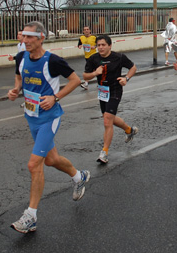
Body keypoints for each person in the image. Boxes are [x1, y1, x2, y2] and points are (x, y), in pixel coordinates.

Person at [7, 21, 90, 233]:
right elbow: (19, 75)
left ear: (41, 37)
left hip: (49, 118)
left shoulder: (52, 61)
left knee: (34, 164)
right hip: (31, 116)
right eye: (23, 37)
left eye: (29, 37)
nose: (25, 41)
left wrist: (55, 97)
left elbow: (74, 80)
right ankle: (79, 177)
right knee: (52, 160)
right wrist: (16, 89)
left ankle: (31, 216)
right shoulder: (21, 57)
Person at [83, 34, 138, 164]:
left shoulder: (118, 57)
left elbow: (133, 67)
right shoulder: (93, 59)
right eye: (98, 45)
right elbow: (85, 76)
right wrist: (95, 73)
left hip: (115, 90)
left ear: (110, 46)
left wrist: (126, 78)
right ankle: (129, 130)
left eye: (103, 45)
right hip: (103, 91)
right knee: (109, 118)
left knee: (107, 120)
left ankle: (104, 152)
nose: (100, 48)